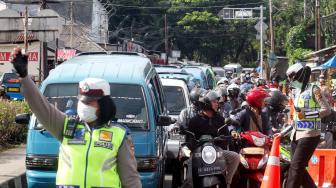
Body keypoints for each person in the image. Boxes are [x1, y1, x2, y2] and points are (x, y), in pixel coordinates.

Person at [11, 48, 141, 188]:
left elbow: (130, 179)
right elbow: (40, 107)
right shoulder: (66, 125)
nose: (83, 105)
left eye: (89, 102)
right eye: (82, 101)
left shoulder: (119, 135)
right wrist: (24, 77)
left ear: (103, 105)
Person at [285, 63, 331, 188]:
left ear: (300, 75)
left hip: (309, 134)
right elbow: (296, 117)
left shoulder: (314, 89)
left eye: (292, 77)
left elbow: (327, 109)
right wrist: (283, 132)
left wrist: (308, 114)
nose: (290, 80)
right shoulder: (297, 91)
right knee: (296, 167)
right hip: (295, 134)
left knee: (295, 167)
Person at [187, 90, 240, 188]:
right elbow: (189, 140)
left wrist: (226, 139)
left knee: (235, 157)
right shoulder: (194, 121)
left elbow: (226, 136)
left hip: (217, 152)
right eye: (214, 101)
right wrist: (194, 146)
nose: (217, 104)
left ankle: (227, 183)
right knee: (189, 180)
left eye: (217, 101)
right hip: (198, 154)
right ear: (206, 103)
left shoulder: (220, 119)